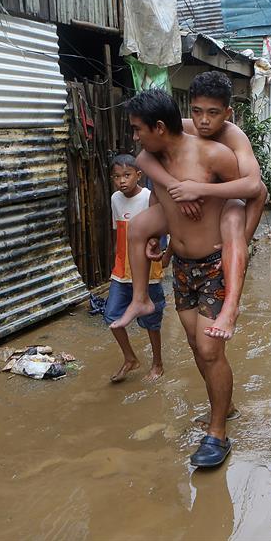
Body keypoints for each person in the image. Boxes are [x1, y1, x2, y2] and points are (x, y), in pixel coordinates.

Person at [125, 88, 241, 468]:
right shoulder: (155, 157)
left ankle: (218, 434)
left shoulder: (213, 154)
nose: (135, 136)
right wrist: (165, 239)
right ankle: (223, 406)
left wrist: (201, 190)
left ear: (159, 127)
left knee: (210, 349)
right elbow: (158, 202)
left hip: (213, 264)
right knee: (197, 347)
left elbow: (247, 193)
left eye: (139, 129)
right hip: (183, 268)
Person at [110, 71, 266, 341]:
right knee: (137, 226)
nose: (204, 120)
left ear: (227, 113)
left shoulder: (233, 138)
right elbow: (146, 159)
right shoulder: (181, 129)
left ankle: (231, 306)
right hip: (185, 232)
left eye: (213, 113)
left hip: (227, 205)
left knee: (232, 221)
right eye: (196, 111)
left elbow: (256, 188)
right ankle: (140, 298)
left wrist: (243, 238)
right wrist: (176, 190)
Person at [104, 154, 169, 383]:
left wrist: (164, 255)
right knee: (111, 314)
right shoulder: (115, 199)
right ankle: (130, 358)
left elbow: (162, 232)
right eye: (117, 177)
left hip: (148, 270)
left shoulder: (150, 198)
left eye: (127, 175)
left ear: (138, 175)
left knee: (152, 320)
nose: (122, 181)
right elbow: (117, 231)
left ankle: (157, 363)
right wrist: (116, 257)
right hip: (122, 269)